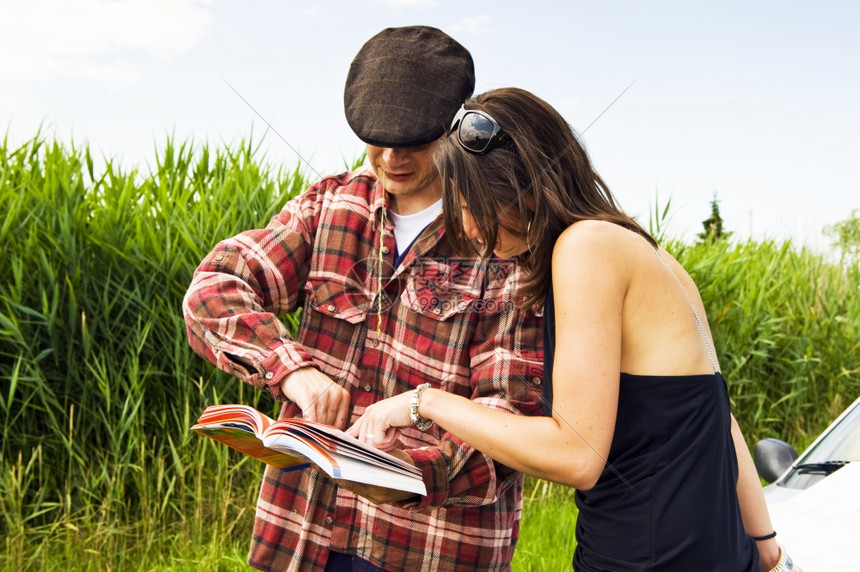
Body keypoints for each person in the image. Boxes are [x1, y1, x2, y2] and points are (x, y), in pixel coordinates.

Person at [348, 87, 800, 571]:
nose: (468, 229)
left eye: (468, 203)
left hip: (643, 557)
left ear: (516, 185)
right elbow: (719, 418)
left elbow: (577, 456)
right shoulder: (651, 254)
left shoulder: (585, 249)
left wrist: (425, 402)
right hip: (715, 554)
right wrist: (766, 545)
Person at [182, 28, 544, 572]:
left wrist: (405, 472)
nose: (392, 157)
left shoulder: (501, 233)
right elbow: (215, 288)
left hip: (432, 545)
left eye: (414, 140)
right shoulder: (329, 206)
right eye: (378, 138)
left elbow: (511, 415)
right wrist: (292, 371)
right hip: (304, 531)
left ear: (455, 128)